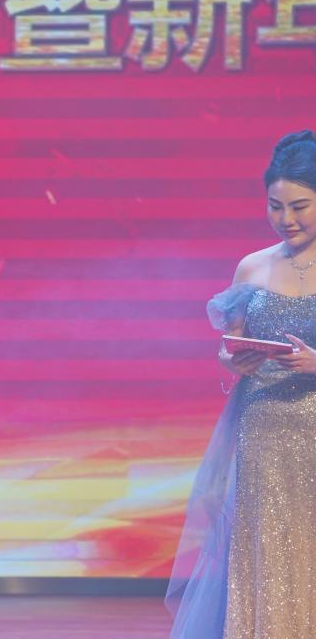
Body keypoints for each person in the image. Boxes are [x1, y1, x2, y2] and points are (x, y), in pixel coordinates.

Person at [167, 130, 316, 638]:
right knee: (264, 553)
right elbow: (228, 347)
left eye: (300, 206)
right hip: (262, 437)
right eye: (276, 206)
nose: (286, 218)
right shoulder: (253, 267)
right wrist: (234, 362)